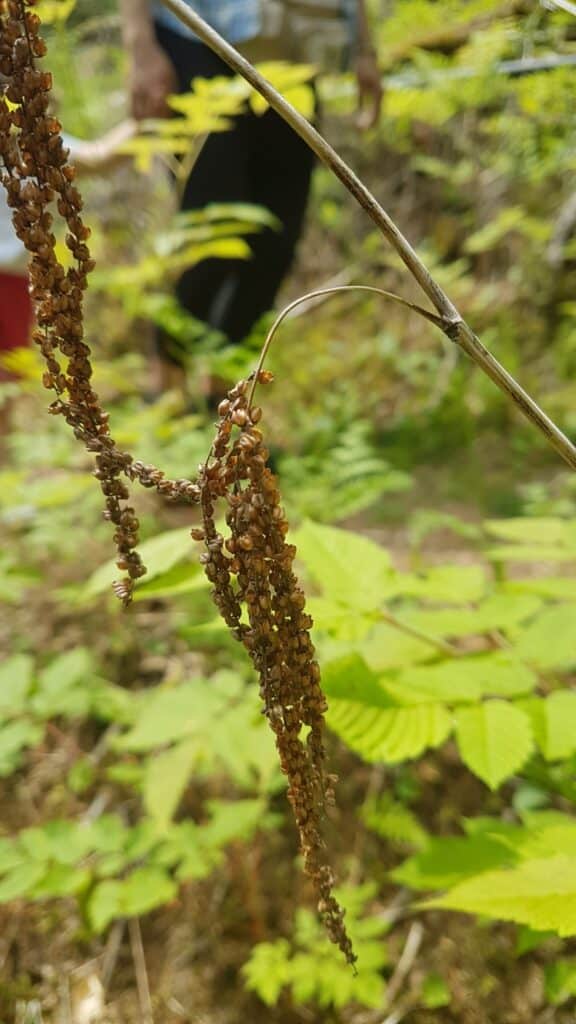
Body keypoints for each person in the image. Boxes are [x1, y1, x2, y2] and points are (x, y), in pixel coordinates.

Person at [119, 0, 382, 393]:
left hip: (292, 47)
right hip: (195, 36)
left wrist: (364, 48)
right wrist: (139, 43)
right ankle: (165, 391)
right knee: (212, 235)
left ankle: (223, 399)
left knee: (277, 240)